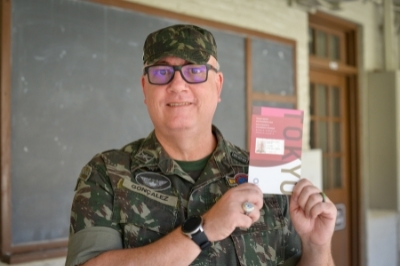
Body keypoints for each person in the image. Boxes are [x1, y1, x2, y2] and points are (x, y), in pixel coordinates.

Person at [65, 24, 337, 266]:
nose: (177, 85)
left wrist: (317, 246)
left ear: (217, 86)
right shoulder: (106, 174)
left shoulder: (267, 173)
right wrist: (203, 231)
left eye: (194, 70)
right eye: (161, 72)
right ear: (144, 88)